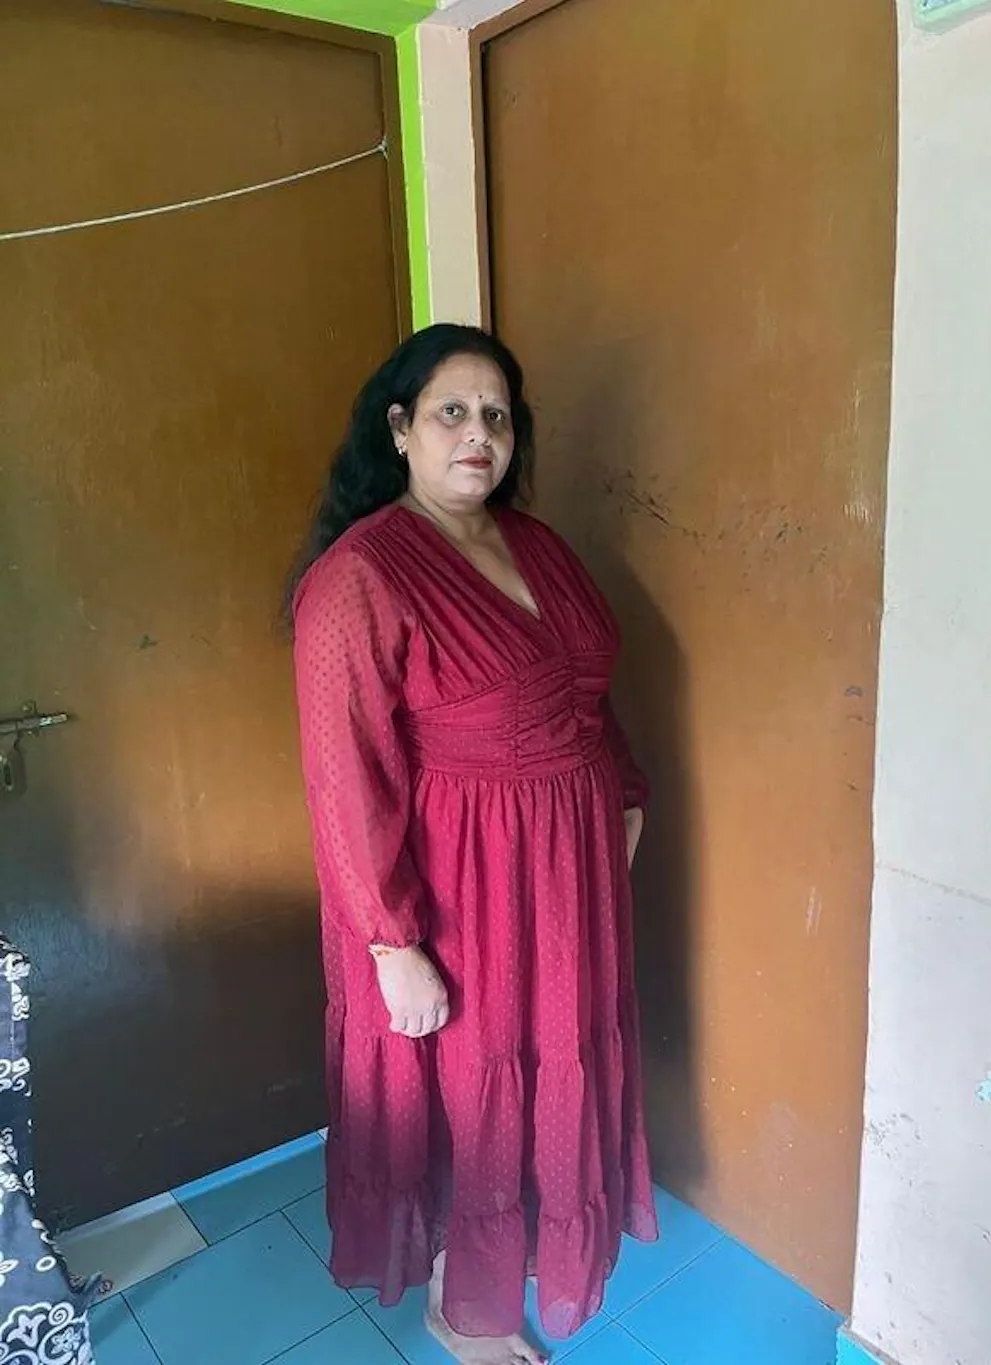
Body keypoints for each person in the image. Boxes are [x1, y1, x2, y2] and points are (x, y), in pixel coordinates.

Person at [290, 324, 657, 1365]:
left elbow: (583, 690)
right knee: (471, 1088)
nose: (478, 433)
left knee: (545, 1065)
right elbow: (343, 777)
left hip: (567, 876)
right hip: (460, 889)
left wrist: (625, 796)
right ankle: (462, 1305)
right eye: (451, 410)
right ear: (399, 428)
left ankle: (508, 1261)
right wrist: (390, 942)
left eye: (496, 414)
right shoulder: (362, 575)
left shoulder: (536, 544)